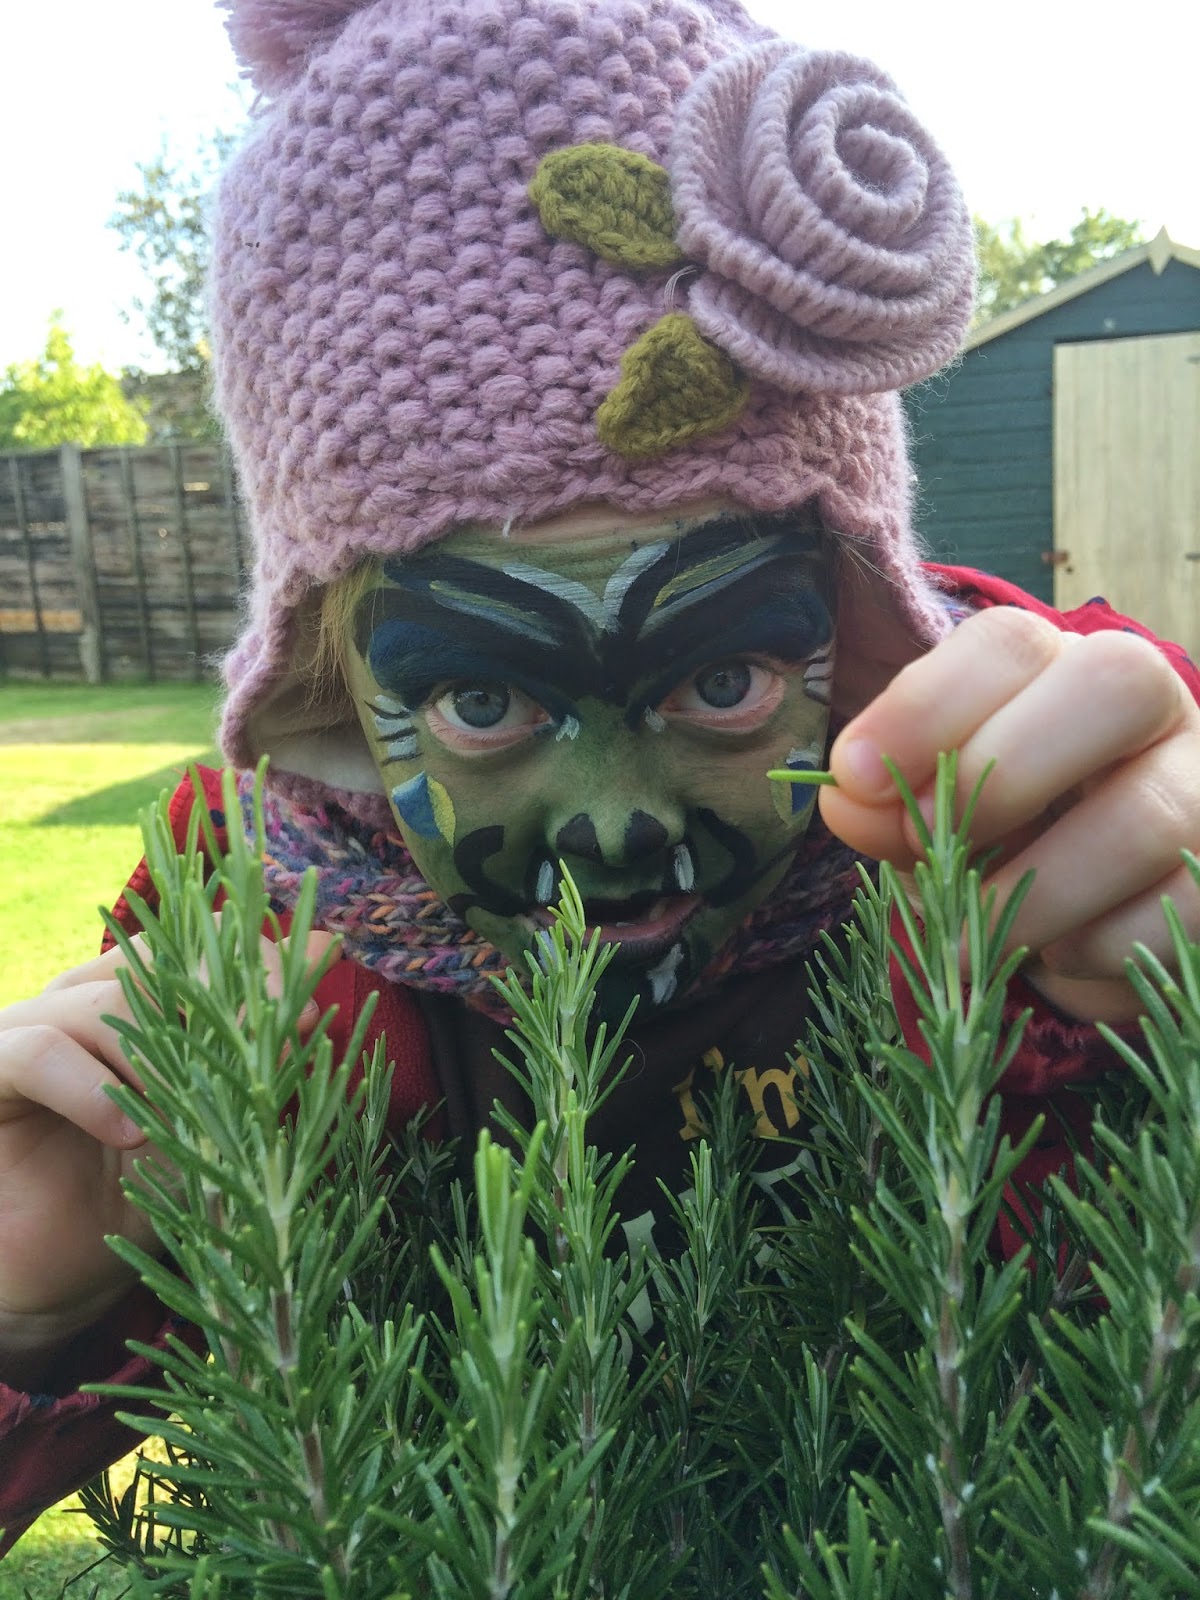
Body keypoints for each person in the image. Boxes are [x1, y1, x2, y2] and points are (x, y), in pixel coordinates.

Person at [1, 0, 1198, 1554]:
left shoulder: (1058, 823)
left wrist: (1145, 1041)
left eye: (723, 680)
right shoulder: (240, 928)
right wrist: (33, 1309)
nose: (618, 823)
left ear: (854, 624)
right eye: (482, 698)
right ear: (333, 686)